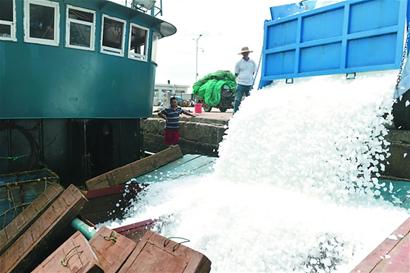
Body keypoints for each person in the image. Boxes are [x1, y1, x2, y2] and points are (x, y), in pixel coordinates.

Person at [234, 46, 257, 113]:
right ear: (242, 54)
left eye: (246, 52)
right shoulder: (238, 63)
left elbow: (253, 72)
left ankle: (249, 113)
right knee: (237, 100)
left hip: (249, 84)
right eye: (244, 53)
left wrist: (248, 77)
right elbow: (236, 73)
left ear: (248, 53)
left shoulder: (252, 62)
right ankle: (235, 114)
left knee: (250, 100)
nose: (245, 54)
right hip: (241, 84)